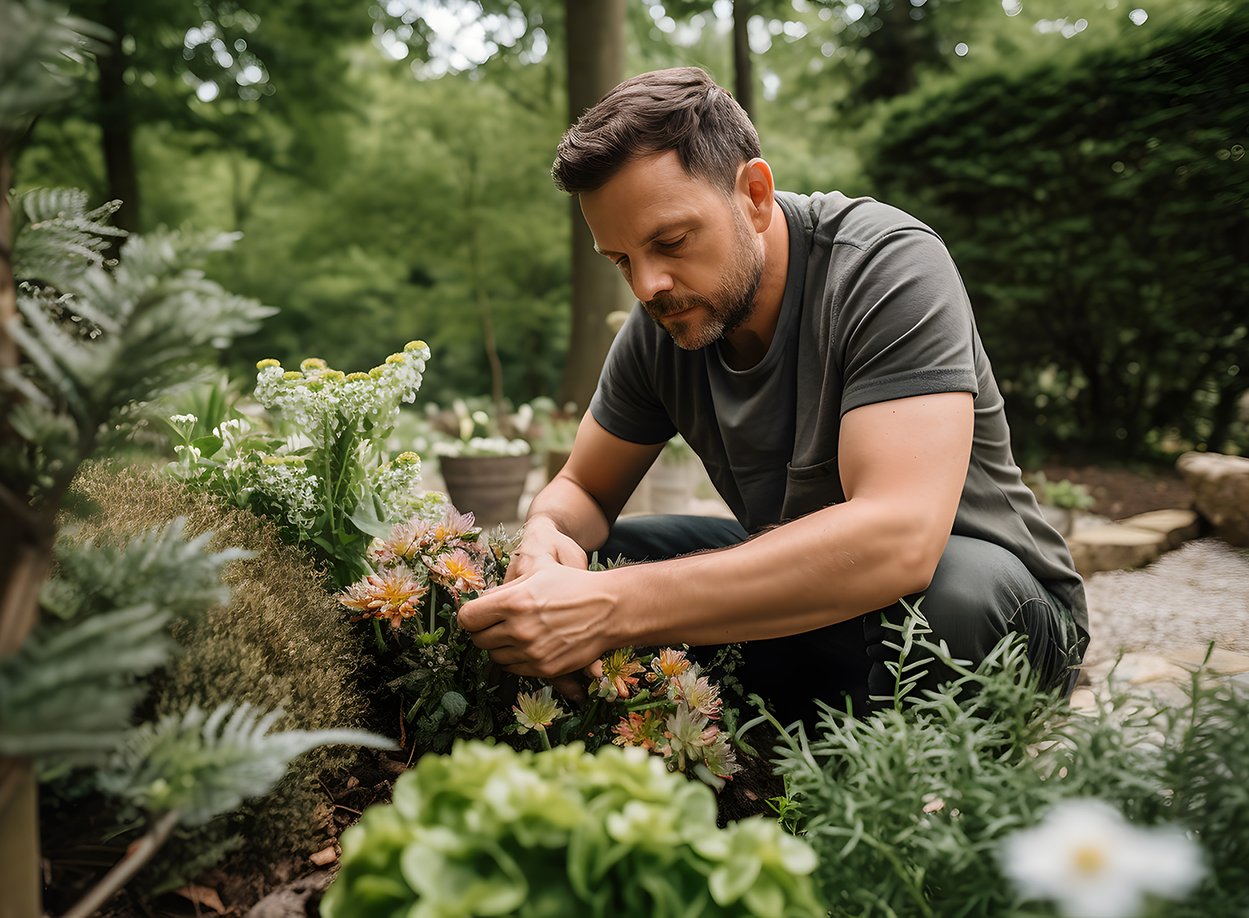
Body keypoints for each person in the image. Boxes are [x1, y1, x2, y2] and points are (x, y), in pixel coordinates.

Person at [457, 66, 1088, 727]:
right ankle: (727, 754)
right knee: (602, 558)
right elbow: (582, 490)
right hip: (825, 612)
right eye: (620, 261)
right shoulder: (663, 321)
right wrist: (544, 539)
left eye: (669, 242)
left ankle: (893, 794)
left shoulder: (886, 266)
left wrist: (613, 606)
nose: (646, 285)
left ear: (755, 195)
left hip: (996, 616)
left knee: (950, 597)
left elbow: (899, 539)